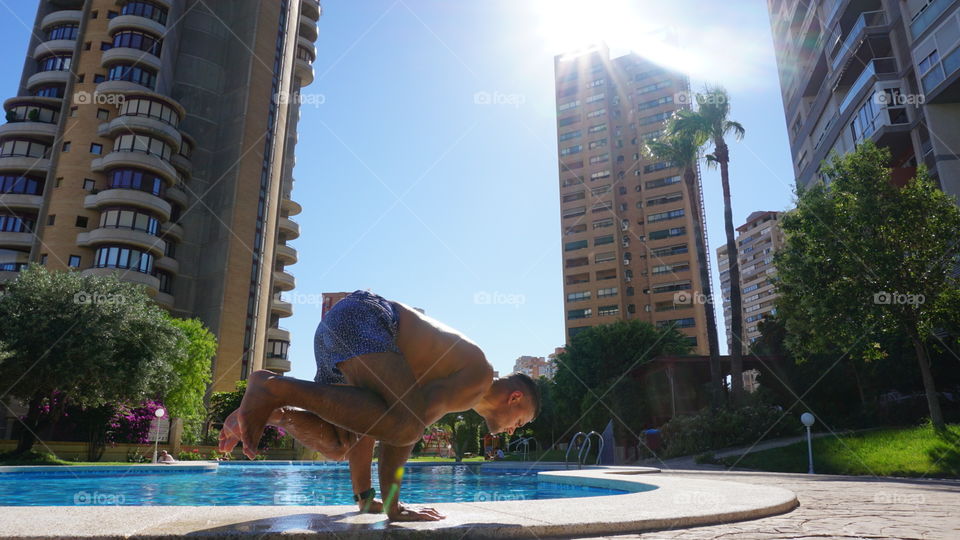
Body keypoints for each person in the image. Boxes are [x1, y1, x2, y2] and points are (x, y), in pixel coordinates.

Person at [218, 290, 540, 521]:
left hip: (338, 328)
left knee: (338, 443)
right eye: (520, 421)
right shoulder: (478, 377)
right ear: (516, 398)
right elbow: (406, 428)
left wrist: (365, 498)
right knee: (408, 423)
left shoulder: (465, 390)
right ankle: (272, 387)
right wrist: (393, 506)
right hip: (367, 318)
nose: (513, 430)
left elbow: (373, 425)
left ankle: (276, 410)